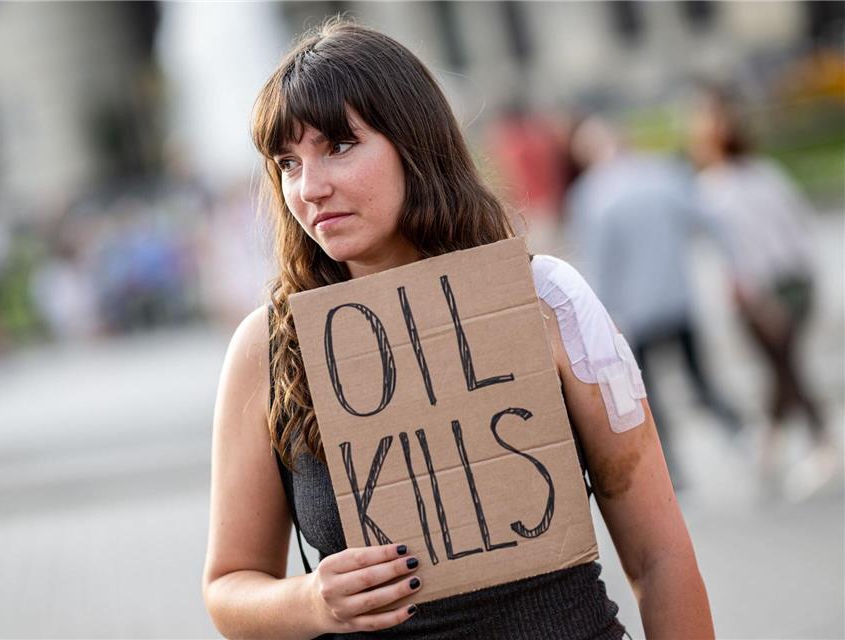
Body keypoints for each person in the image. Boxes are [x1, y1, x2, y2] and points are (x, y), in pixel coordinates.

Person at [203, 19, 713, 638]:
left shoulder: (547, 300)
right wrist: (312, 601)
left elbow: (659, 558)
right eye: (287, 162)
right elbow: (229, 589)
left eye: (339, 146)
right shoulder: (267, 348)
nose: (310, 188)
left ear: (413, 143)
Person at [566, 115, 742, 487]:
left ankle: (670, 469)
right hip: (677, 298)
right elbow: (705, 220)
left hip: (633, 313)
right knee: (699, 378)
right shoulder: (661, 174)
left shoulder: (590, 196)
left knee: (648, 395)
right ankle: (738, 431)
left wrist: (599, 320)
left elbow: (598, 264)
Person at [688, 86, 837, 499]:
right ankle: (773, 446)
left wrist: (759, 301)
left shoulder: (713, 189)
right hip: (796, 281)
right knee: (782, 365)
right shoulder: (766, 173)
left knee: (784, 366)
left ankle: (818, 445)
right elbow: (799, 227)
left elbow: (741, 252)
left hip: (762, 292)